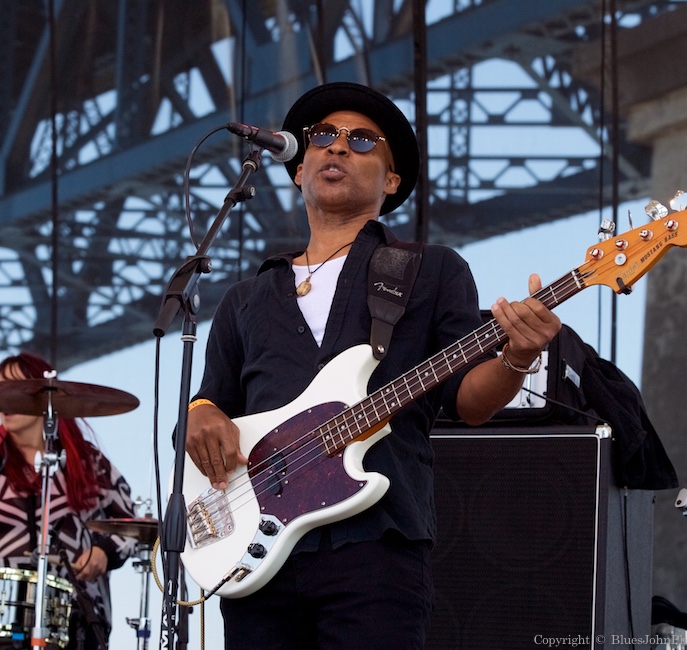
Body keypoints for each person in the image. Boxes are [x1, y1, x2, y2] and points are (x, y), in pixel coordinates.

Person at [185, 81, 561, 649]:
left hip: (376, 542)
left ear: (391, 181)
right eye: (323, 137)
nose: (337, 148)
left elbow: (469, 400)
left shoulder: (430, 269)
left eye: (362, 140)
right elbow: (214, 399)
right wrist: (199, 414)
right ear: (296, 168)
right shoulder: (245, 297)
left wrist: (517, 354)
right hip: (255, 551)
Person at [0, 352, 137, 650]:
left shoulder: (90, 464)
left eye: (15, 388)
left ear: (44, 397)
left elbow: (134, 526)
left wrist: (102, 552)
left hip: (78, 616)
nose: (5, 399)